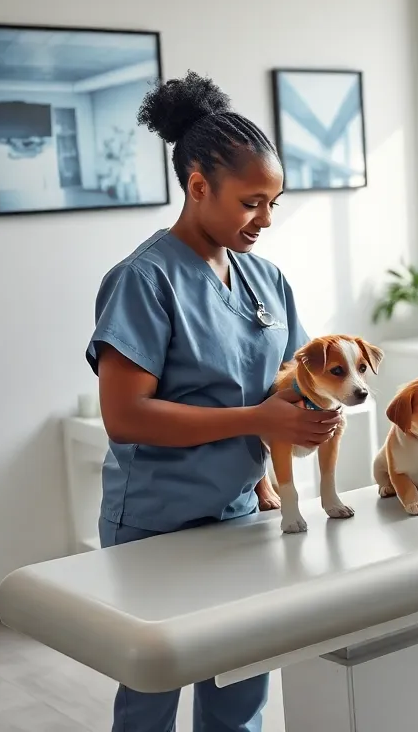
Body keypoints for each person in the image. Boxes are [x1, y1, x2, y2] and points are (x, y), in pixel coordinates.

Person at [86, 71, 342, 732]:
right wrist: (259, 420)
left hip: (240, 517)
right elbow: (126, 416)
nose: (265, 220)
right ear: (198, 186)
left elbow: (294, 373)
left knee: (239, 690)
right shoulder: (143, 280)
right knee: (151, 700)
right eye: (251, 202)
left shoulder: (265, 275)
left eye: (273, 203)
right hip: (155, 524)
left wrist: (321, 398)